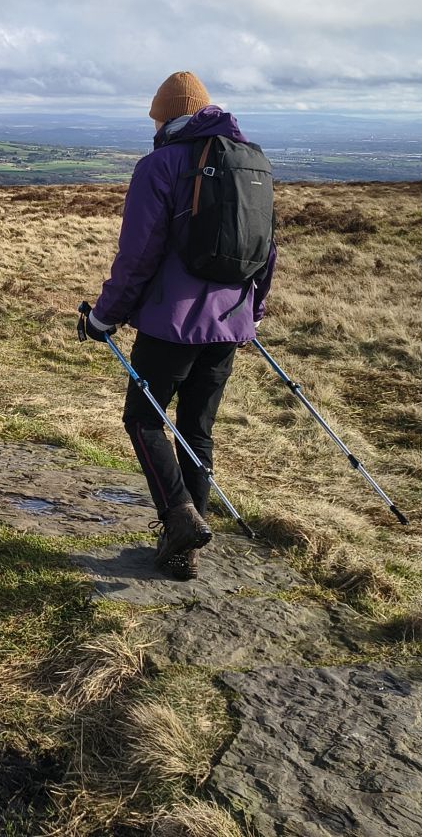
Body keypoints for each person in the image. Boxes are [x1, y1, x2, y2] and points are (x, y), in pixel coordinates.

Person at [82, 71, 276, 580]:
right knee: (196, 429)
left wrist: (105, 316)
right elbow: (266, 250)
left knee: (143, 420)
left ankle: (178, 518)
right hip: (230, 323)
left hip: (172, 324)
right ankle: (188, 548)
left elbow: (139, 254)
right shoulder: (251, 162)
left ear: (165, 116)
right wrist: (250, 314)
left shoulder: (159, 165)